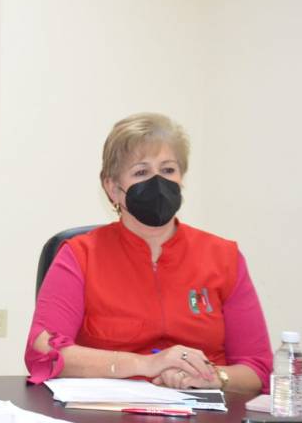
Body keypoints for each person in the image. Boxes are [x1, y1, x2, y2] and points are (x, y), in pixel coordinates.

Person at [24, 113, 272, 393]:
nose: (158, 183)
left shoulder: (223, 257)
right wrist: (145, 364)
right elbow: (43, 351)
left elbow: (258, 369)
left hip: (204, 408)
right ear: (113, 189)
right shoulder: (80, 255)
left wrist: (215, 377)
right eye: (141, 173)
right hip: (109, 407)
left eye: (168, 170)